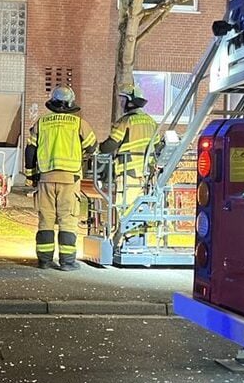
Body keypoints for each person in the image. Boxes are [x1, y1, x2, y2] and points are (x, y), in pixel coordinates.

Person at [23, 85, 96, 271]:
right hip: (70, 179)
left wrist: (32, 177)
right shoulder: (78, 123)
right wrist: (81, 156)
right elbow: (92, 147)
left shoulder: (42, 122)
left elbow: (30, 150)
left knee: (45, 220)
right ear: (71, 102)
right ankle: (67, 262)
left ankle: (44, 261)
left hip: (46, 178)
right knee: (67, 220)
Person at [99, 84, 162, 248]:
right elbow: (157, 148)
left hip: (128, 174)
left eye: (123, 100)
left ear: (131, 101)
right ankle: (137, 243)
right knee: (140, 209)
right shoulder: (151, 122)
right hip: (146, 176)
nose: (121, 103)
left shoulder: (125, 122)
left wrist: (98, 148)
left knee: (125, 209)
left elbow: (109, 146)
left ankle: (129, 244)